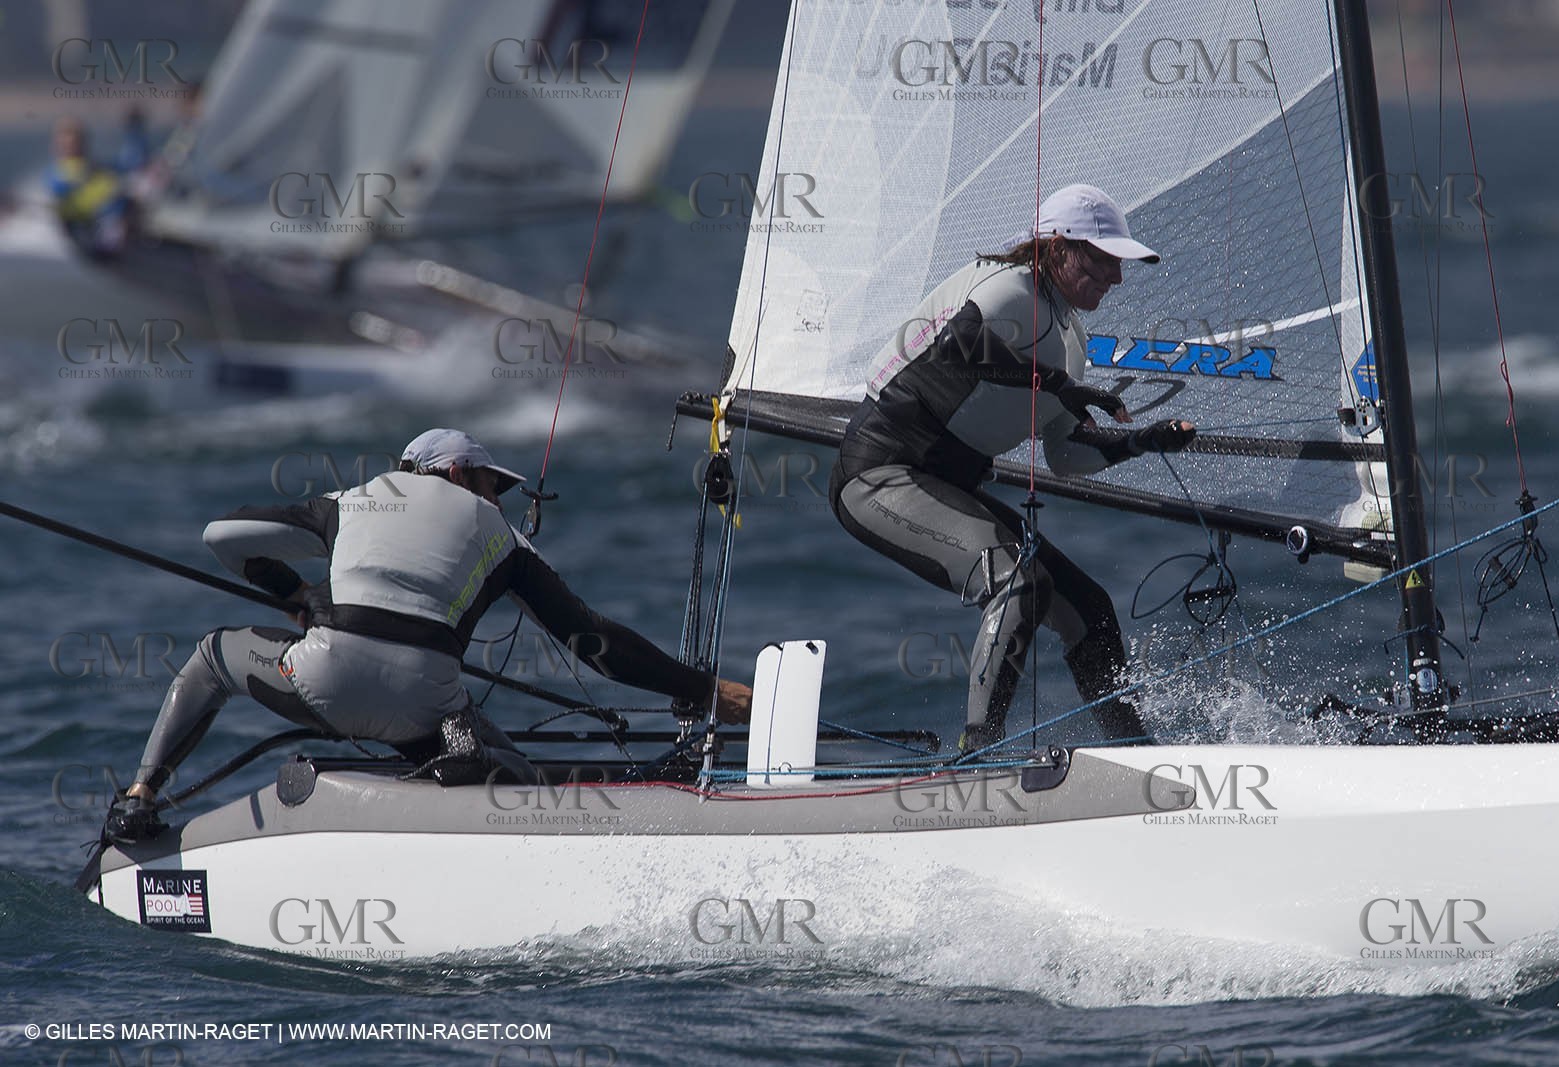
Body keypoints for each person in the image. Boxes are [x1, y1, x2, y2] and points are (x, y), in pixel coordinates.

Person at [105, 429, 753, 842]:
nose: (494, 497)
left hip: (322, 677)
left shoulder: (351, 500)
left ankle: (138, 799)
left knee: (212, 654)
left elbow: (221, 536)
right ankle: (501, 777)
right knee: (489, 750)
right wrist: (703, 688)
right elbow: (591, 641)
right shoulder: (502, 537)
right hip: (426, 703)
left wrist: (296, 596)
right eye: (489, 482)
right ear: (450, 474)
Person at [827, 184, 1196, 753]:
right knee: (1018, 581)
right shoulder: (1010, 289)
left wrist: (1139, 442)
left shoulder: (1071, 337)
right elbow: (959, 343)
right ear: (1057, 247)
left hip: (945, 485)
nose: (1116, 279)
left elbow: (1066, 455)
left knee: (1091, 611)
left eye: (1120, 265)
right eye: (1103, 261)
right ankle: (978, 753)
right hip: (881, 474)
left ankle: (1136, 755)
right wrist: (1059, 385)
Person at [45, 117, 133, 258]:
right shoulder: (56, 172)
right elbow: (57, 191)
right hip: (77, 225)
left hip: (103, 223)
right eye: (65, 144)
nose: (69, 148)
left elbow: (126, 166)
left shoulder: (94, 168)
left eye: (74, 143)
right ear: (57, 145)